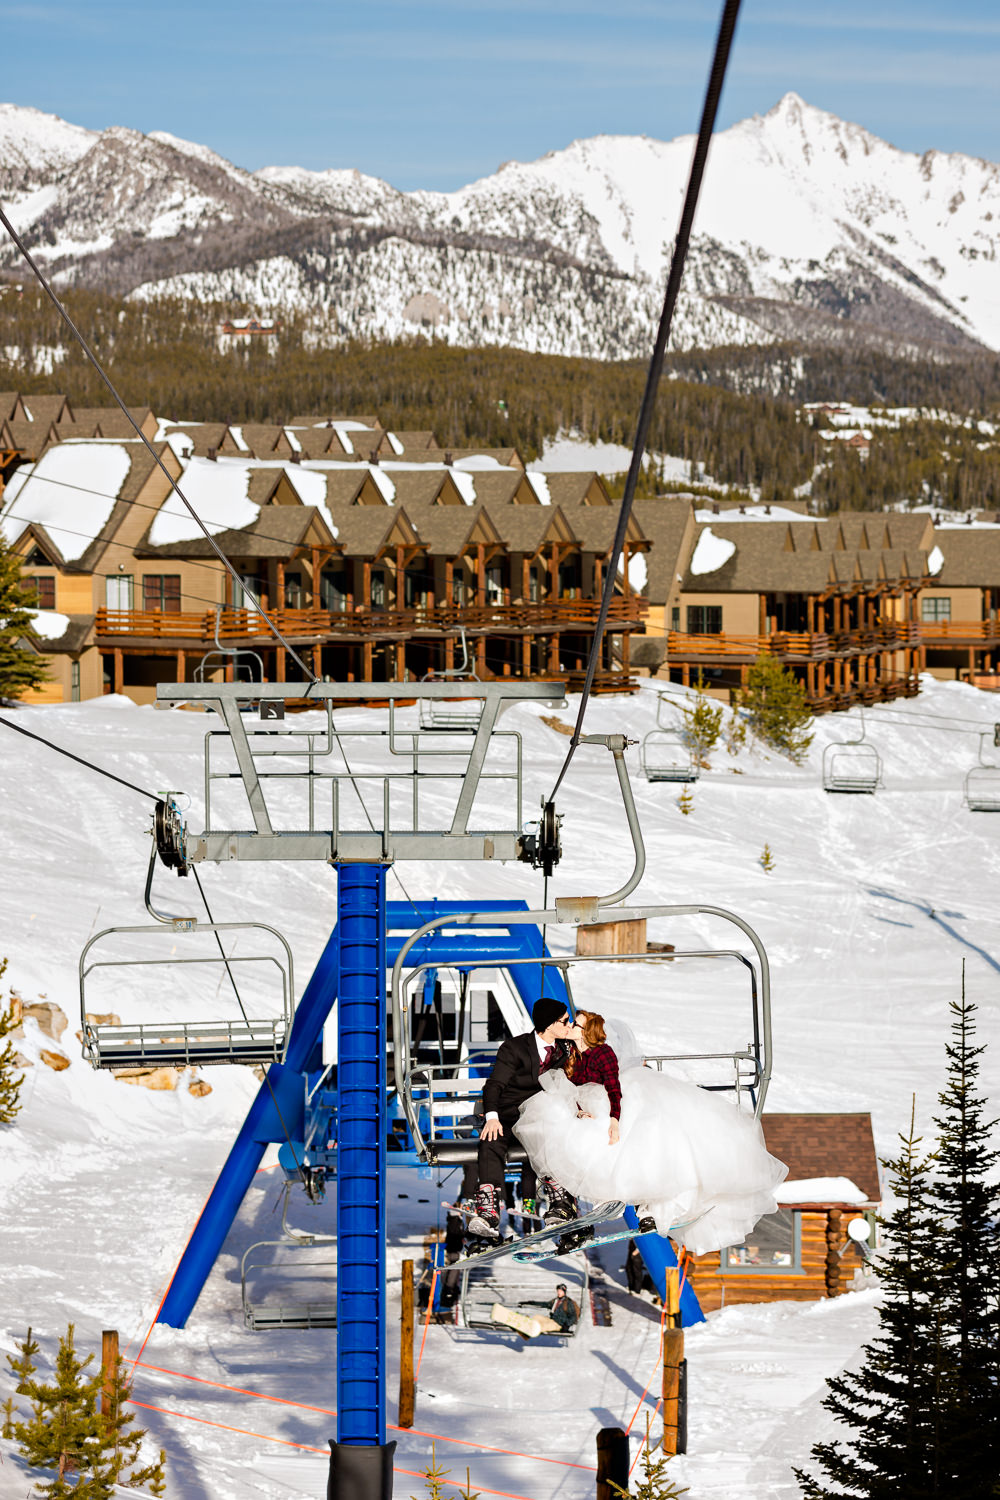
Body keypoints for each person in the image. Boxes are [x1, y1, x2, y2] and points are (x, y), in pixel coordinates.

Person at [514, 1009, 788, 1257]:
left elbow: (613, 1088)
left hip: (613, 1104)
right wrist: (578, 1108)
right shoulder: (572, 1056)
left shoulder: (603, 1053)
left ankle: (648, 1207)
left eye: (577, 1024)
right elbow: (571, 1088)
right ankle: (586, 1206)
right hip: (591, 1106)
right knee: (574, 1137)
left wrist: (614, 1119)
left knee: (637, 1143)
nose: (572, 1026)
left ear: (587, 1031)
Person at [466, 995, 577, 1239]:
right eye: (565, 1021)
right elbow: (494, 1084)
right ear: (549, 1025)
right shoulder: (514, 1048)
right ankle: (488, 1211)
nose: (570, 1026)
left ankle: (560, 1203)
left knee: (555, 1137)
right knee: (491, 1142)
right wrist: (492, 1116)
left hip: (541, 1117)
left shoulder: (566, 1048)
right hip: (509, 1115)